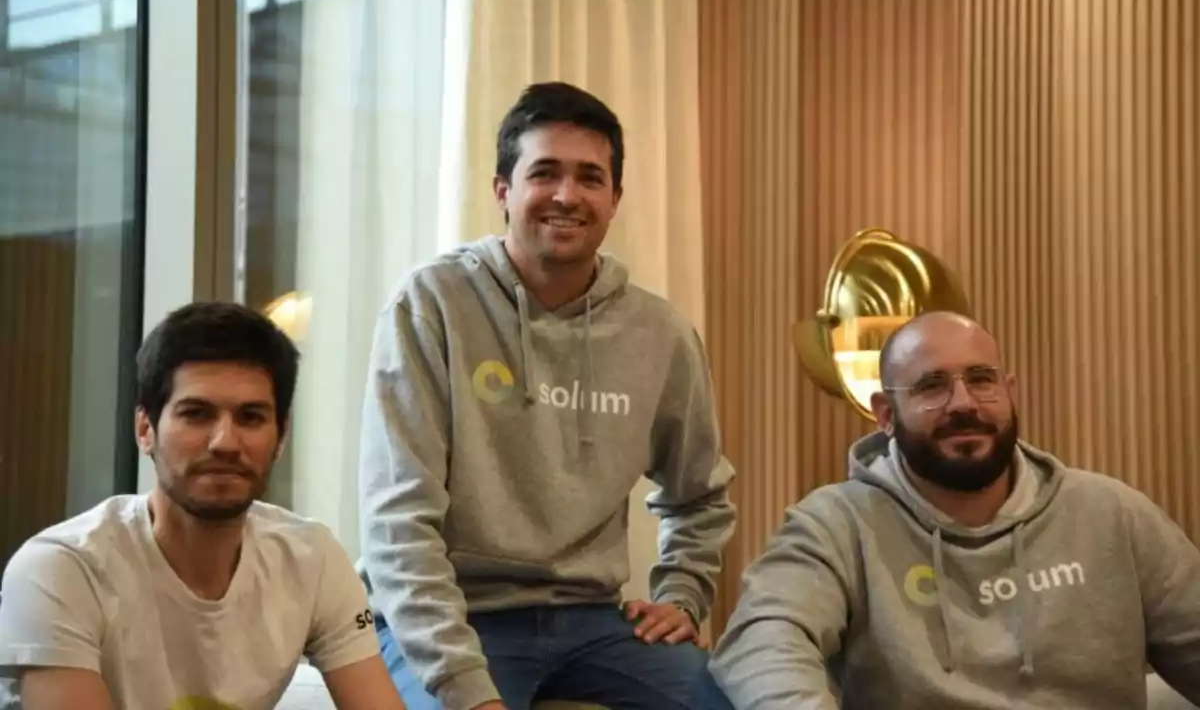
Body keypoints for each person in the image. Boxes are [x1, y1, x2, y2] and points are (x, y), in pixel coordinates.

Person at [359, 81, 737, 710]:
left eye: (590, 177)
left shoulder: (659, 332)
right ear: (503, 190)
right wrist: (464, 687)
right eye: (544, 173)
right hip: (453, 614)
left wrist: (682, 596)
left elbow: (699, 494)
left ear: (614, 199)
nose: (567, 195)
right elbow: (398, 524)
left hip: (593, 622)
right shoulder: (432, 305)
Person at [709, 310, 1200, 709]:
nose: (962, 403)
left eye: (981, 380)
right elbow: (764, 638)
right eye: (931, 386)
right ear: (884, 413)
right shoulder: (837, 525)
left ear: (1010, 391)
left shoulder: (1111, 513)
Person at [0, 302, 406, 710]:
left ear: (280, 436)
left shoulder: (312, 560)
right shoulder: (63, 569)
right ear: (145, 429)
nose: (225, 442)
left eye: (251, 417)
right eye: (196, 414)